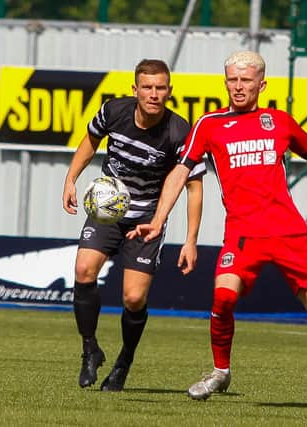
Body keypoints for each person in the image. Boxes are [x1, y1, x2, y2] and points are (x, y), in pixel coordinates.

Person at [128, 51, 307, 411]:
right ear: (225, 82)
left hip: (288, 232)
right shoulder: (208, 125)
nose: (238, 87)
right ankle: (220, 371)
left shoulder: (279, 122)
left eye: (245, 80)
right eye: (232, 80)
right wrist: (160, 218)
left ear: (261, 84)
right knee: (223, 298)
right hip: (242, 233)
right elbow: (181, 172)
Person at [62, 59, 205, 391]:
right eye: (147, 87)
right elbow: (89, 141)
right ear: (135, 89)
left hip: (147, 220)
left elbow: (194, 186)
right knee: (84, 271)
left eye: (160, 88)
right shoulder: (114, 111)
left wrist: (191, 239)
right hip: (108, 211)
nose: (154, 94)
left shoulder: (179, 131)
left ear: (169, 91)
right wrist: (71, 179)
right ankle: (90, 349)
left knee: (133, 299)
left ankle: (124, 361)